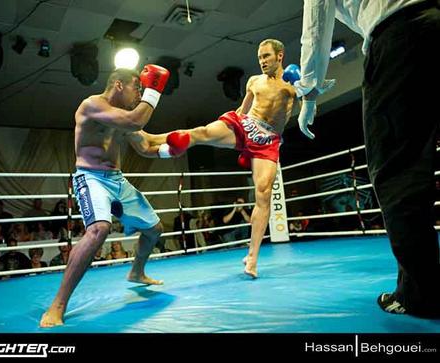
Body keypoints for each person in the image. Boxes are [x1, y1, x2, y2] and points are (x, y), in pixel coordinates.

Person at [295, 0, 439, 318]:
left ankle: (421, 294)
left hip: (399, 37)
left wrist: (309, 92)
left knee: (398, 167)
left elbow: (316, 25)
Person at [144, 39, 334, 278]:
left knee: (263, 193)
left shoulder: (293, 83)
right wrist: (227, 125)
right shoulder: (254, 81)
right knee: (201, 133)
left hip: (268, 140)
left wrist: (309, 89)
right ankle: (151, 139)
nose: (262, 61)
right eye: (260, 57)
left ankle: (252, 257)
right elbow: (242, 110)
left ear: (279, 55)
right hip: (245, 124)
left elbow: (312, 97)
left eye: (266, 56)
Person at [40, 65, 170, 327]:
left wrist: (172, 148)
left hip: (117, 180)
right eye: (138, 87)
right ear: (119, 85)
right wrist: (154, 92)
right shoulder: (91, 105)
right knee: (99, 229)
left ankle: (136, 272)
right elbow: (136, 121)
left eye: (144, 89)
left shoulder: (122, 117)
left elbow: (145, 146)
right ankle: (58, 305)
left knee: (155, 229)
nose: (140, 94)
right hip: (91, 177)